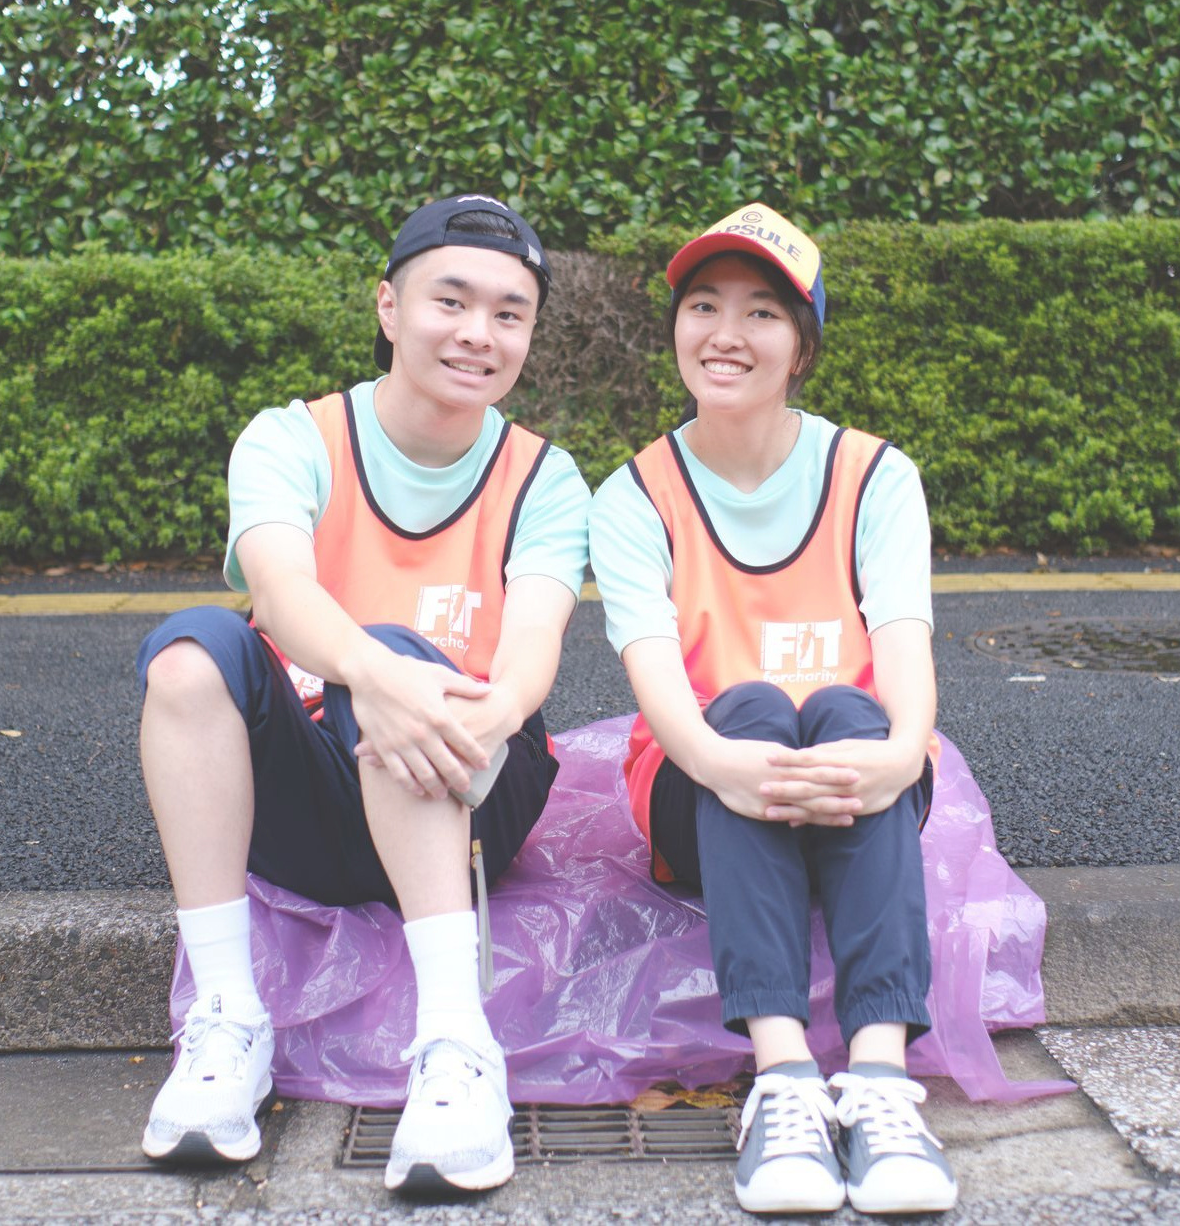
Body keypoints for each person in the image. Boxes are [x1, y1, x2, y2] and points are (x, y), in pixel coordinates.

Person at [134, 195, 590, 1195]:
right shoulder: (290, 439)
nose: (478, 333)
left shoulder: (545, 479)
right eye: (450, 301)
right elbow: (278, 593)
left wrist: (465, 712)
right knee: (189, 654)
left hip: (469, 794)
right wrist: (377, 676)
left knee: (397, 666)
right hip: (307, 800)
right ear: (388, 305)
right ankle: (227, 1020)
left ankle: (457, 1044)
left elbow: (531, 649)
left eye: (509, 313)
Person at [588, 204, 957, 1216]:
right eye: (702, 306)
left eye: (761, 312)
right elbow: (662, 689)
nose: (726, 333)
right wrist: (723, 761)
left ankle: (880, 1083)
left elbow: (905, 650)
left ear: (801, 347)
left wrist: (902, 754)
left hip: (853, 773)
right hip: (698, 784)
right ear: (676, 329)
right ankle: (785, 1077)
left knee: (847, 706)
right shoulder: (634, 495)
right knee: (746, 705)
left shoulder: (875, 475)